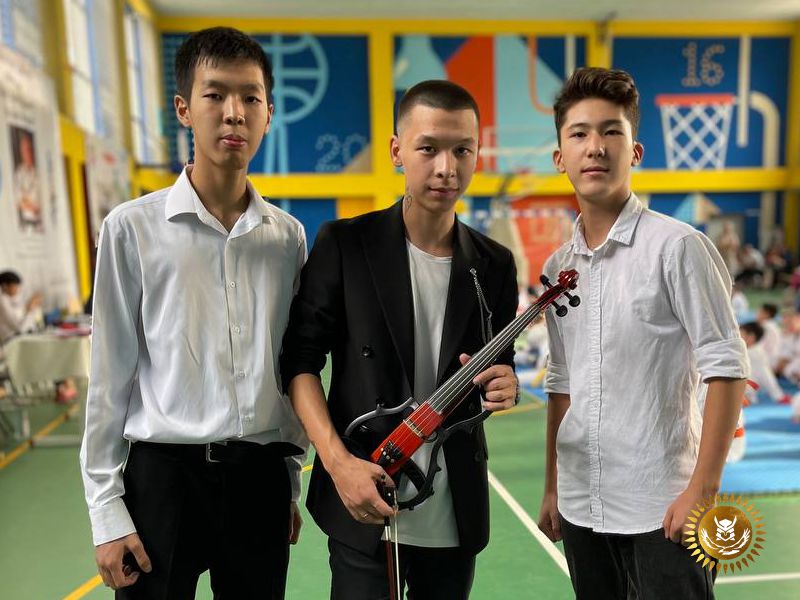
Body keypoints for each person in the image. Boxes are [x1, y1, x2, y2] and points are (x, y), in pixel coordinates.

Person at [79, 27, 307, 599]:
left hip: (258, 478)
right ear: (184, 109)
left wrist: (287, 483)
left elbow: (285, 369)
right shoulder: (131, 229)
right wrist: (106, 511)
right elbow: (109, 376)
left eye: (250, 98)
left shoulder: (287, 239)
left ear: (269, 114)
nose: (234, 113)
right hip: (163, 479)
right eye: (215, 94)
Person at [280, 80, 519, 599]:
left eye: (462, 150)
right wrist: (338, 464)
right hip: (362, 493)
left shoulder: (495, 264)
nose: (446, 168)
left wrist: (507, 385)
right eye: (428, 148)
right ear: (396, 151)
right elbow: (299, 363)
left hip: (453, 507)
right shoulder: (345, 244)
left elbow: (502, 366)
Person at [537, 67, 749, 600]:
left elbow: (727, 367)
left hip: (664, 505)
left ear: (635, 151)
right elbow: (561, 382)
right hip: (581, 504)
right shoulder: (558, 268)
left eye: (611, 131)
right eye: (579, 133)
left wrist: (703, 489)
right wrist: (553, 487)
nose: (595, 147)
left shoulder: (678, 248)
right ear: (560, 157)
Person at [739, 322, 788, 404]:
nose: (738, 336)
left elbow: (766, 376)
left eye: (741, 334)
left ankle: (749, 397)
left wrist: (778, 395)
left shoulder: (756, 353)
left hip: (748, 386)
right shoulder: (745, 350)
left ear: (751, 337)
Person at [0, 270, 42, 344]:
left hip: (20, 338)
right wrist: (30, 308)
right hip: (12, 342)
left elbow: (24, 320)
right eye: (15, 286)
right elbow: (19, 328)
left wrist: (29, 307)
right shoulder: (3, 302)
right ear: (4, 286)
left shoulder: (11, 300)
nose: (18, 289)